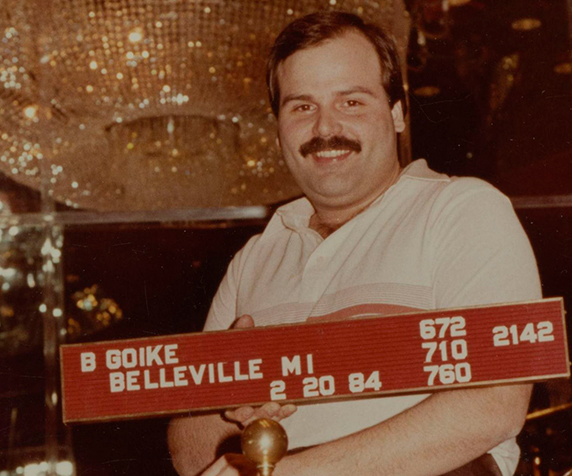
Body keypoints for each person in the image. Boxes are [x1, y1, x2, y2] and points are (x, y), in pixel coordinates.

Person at [167, 11, 541, 476]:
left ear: (398, 113)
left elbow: (494, 404)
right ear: (278, 127)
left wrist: (303, 472)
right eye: (302, 106)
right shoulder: (254, 259)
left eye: (351, 102)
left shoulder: (461, 211)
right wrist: (227, 396)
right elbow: (186, 449)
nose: (325, 128)